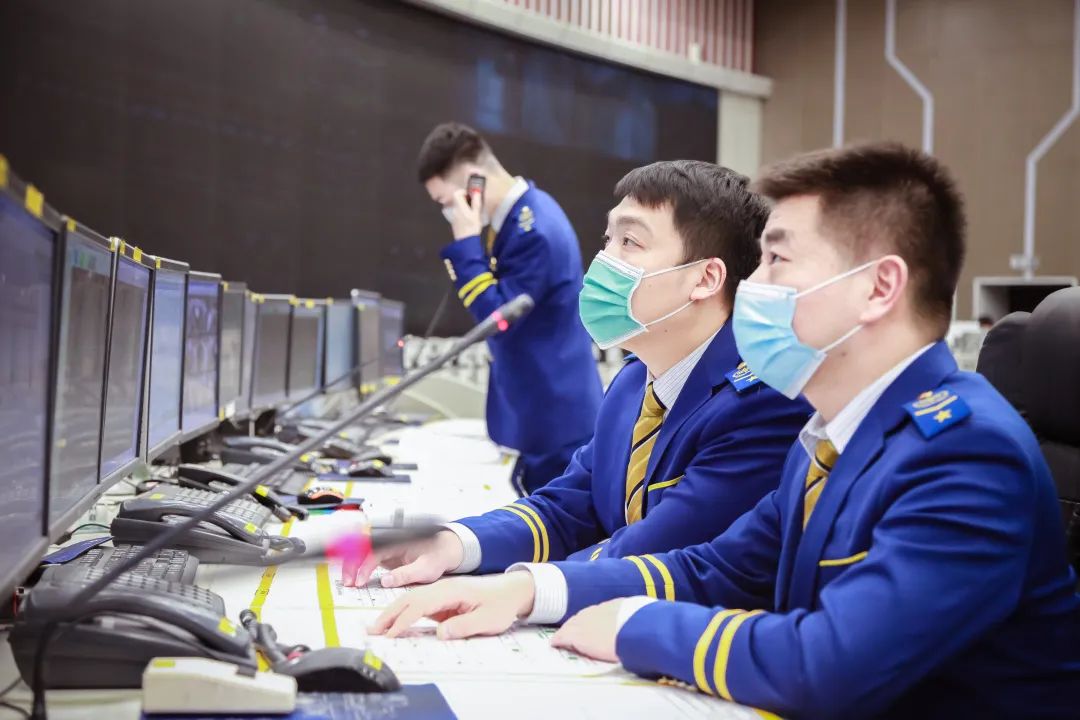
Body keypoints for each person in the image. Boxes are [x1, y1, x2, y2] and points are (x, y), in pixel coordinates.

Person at [371, 143, 1080, 718]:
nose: (754, 285)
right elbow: (716, 567)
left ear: (879, 287)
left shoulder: (965, 454)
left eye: (778, 260)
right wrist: (527, 591)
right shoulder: (837, 435)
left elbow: (830, 663)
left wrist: (636, 626)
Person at [346, 160, 811, 589]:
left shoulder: (760, 404)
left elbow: (656, 550)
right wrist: (455, 543)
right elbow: (568, 508)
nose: (603, 261)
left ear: (705, 279)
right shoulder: (632, 384)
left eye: (630, 242)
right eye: (608, 240)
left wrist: (523, 589)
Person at [419, 122, 603, 494]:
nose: (448, 213)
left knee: (551, 527)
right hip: (545, 412)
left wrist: (466, 244)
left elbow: (496, 319)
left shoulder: (533, 230)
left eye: (445, 202)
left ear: (473, 183)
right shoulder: (522, 217)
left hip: (554, 420)